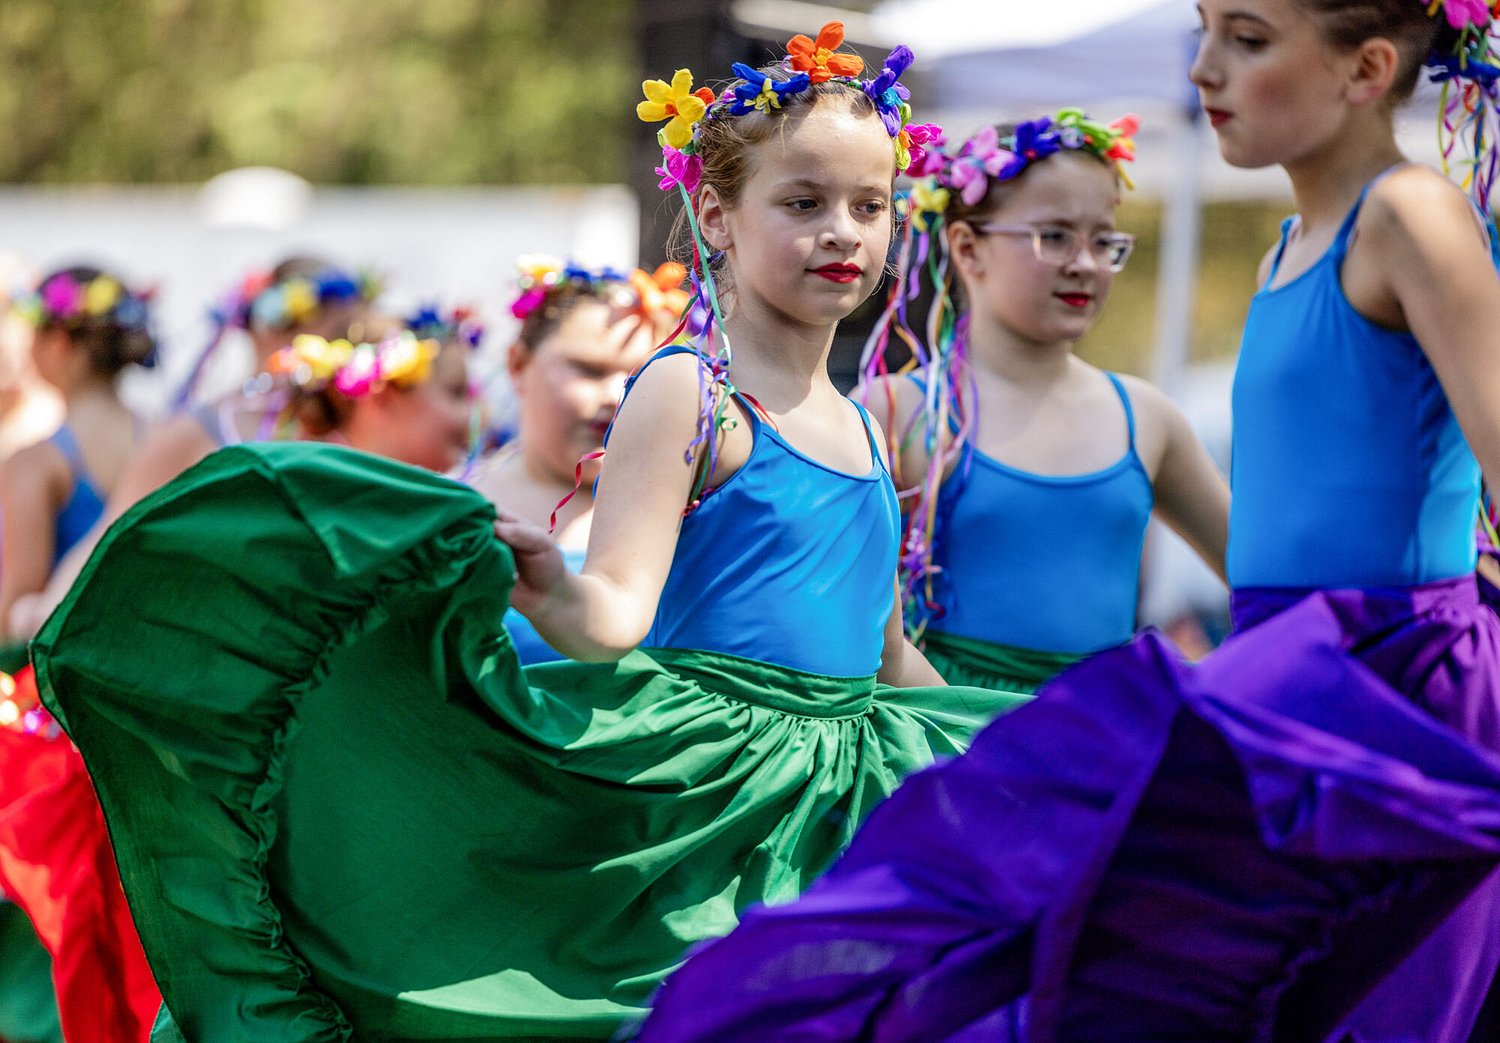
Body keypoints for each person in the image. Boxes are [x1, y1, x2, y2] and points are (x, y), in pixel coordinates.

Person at [29, 25, 1026, 1042]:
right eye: (804, 202)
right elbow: (616, 614)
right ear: (718, 216)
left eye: (871, 205)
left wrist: (1038, 743)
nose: (844, 232)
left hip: (853, 791)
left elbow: (890, 652)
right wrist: (552, 584)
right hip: (718, 804)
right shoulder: (693, 393)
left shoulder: (862, 422)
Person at [636, 3, 1500, 1038]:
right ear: (964, 249)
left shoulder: (1401, 221)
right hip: (1241, 679)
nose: (1203, 67)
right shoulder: (1280, 254)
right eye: (1206, 30)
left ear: (1365, 68)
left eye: (1248, 39)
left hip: (1377, 683)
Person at [861, 113, 1229, 692]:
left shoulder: (1146, 418)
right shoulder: (897, 411)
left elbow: (1259, 575)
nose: (1084, 262)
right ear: (967, 247)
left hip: (1107, 740)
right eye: (1054, 236)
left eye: (1104, 240)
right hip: (945, 734)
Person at [5, 257, 373, 638]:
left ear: (59, 343)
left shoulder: (180, 435)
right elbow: (103, 548)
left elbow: (20, 605)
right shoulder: (174, 433)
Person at [0, 266, 161, 1042]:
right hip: (145, 719)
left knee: (53, 929)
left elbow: (12, 616)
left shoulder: (36, 461)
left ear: (60, 343)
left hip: (51, 731)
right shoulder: (167, 439)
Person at [471, 258, 678, 664]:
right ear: (517, 364)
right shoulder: (456, 505)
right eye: (590, 370)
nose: (617, 397)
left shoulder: (692, 511)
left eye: (640, 377)